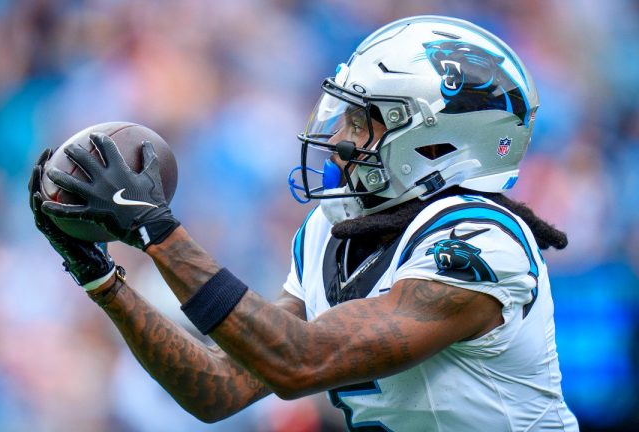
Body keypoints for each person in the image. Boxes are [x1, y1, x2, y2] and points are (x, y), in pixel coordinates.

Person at [29, 16, 579, 431]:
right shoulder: (334, 230)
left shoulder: (480, 245)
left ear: (439, 144)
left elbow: (298, 361)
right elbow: (220, 389)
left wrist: (159, 232)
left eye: (367, 121)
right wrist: (101, 278)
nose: (341, 137)